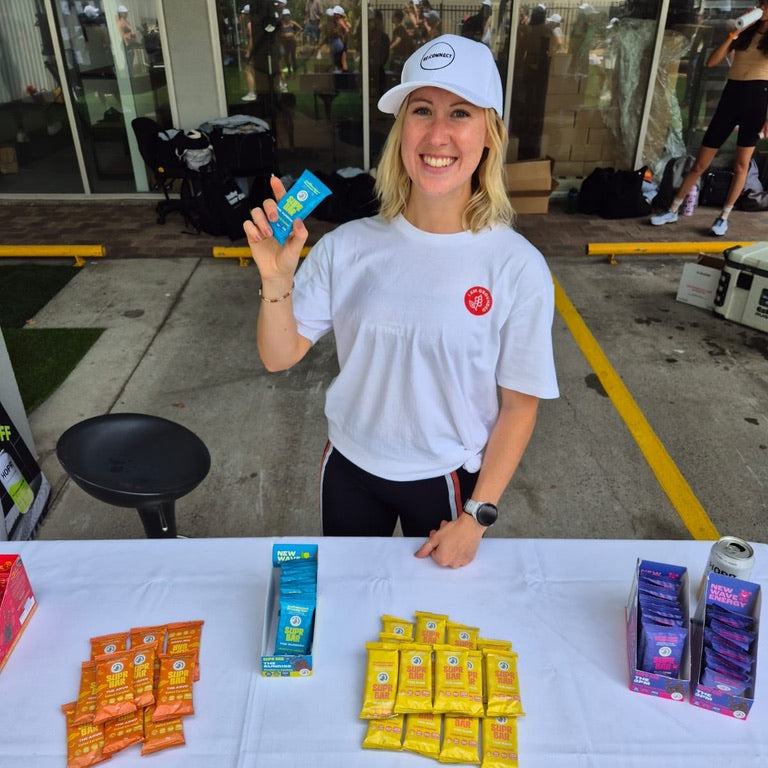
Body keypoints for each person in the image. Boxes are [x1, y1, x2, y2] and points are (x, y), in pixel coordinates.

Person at [244, 34, 559, 568]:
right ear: (401, 130)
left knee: (431, 634)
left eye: (460, 112)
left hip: (445, 481)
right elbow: (279, 355)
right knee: (347, 606)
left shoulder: (516, 265)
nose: (437, 134)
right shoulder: (348, 246)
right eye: (421, 110)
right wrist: (276, 279)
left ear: (489, 134)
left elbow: (519, 406)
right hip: (349, 466)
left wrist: (477, 517)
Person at [651, 4, 768, 236]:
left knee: (741, 164)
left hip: (758, 98)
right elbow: (711, 61)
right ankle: (673, 208)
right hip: (732, 96)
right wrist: (735, 33)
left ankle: (724, 216)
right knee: (700, 163)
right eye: (763, 4)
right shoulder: (745, 32)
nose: (764, 8)